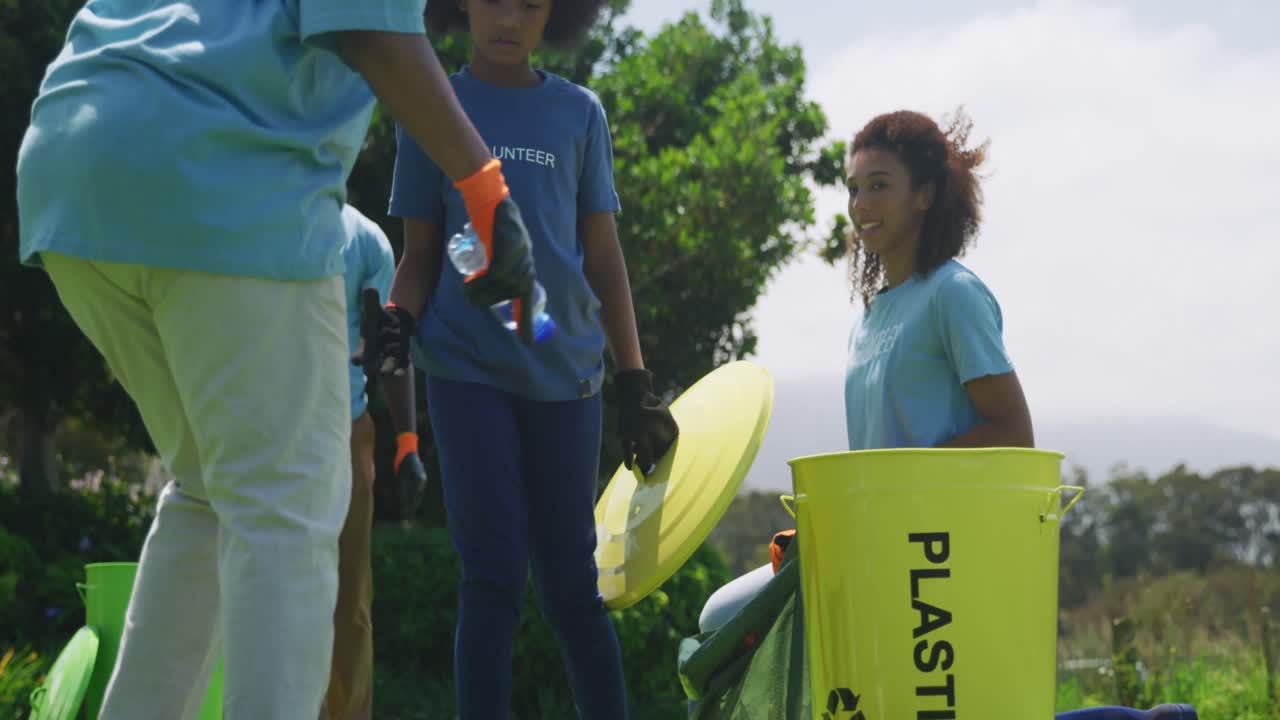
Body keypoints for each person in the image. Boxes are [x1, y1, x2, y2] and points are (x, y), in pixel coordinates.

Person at [15, 1, 538, 716]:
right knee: (288, 508)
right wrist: (487, 191)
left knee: (206, 490)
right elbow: (372, 26)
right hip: (216, 176)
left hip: (73, 161)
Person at [381, 0, 679, 717]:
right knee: (491, 574)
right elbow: (420, 256)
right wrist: (395, 327)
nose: (508, 17)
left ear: (557, 14)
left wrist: (633, 381)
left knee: (572, 586)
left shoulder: (579, 113)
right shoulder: (433, 102)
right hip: (466, 368)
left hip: (567, 375)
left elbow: (603, 259)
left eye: (530, 3)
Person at [699, 107, 1033, 633]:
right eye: (853, 189)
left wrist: (891, 491)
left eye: (879, 186)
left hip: (937, 549)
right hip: (876, 537)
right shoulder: (870, 315)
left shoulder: (954, 294)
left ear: (923, 194)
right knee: (718, 620)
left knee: (725, 621)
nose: (861, 205)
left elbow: (1014, 434)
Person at [322, 205, 428, 720]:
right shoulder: (254, 202)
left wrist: (407, 440)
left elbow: (391, 351)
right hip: (262, 430)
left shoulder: (364, 240)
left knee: (349, 605)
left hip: (343, 431)